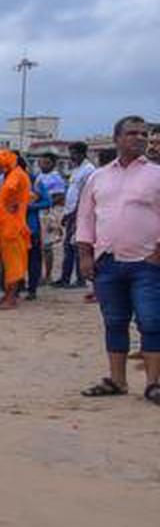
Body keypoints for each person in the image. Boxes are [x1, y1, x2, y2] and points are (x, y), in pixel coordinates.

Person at [76, 116, 160, 401]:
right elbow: (85, 218)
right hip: (107, 261)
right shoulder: (98, 177)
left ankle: (152, 384)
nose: (139, 138)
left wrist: (157, 254)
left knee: (151, 321)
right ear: (117, 138)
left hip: (147, 263)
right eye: (132, 133)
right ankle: (117, 380)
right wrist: (85, 254)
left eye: (143, 134)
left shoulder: (156, 175)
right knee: (114, 321)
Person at [0, 150, 31, 309]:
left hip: (12, 226)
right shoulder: (14, 174)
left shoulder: (16, 175)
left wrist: (15, 203)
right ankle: (8, 295)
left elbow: (13, 192)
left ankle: (11, 298)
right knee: (8, 263)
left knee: (12, 263)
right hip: (7, 225)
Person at [54, 142, 96, 287]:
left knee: (79, 245)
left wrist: (76, 213)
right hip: (70, 211)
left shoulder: (89, 170)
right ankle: (65, 278)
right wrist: (66, 213)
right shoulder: (76, 169)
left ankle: (80, 279)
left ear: (82, 153)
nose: (71, 156)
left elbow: (86, 194)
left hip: (80, 213)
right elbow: (71, 192)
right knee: (68, 246)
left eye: (74, 153)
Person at [25, 161, 53, 300]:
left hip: (32, 228)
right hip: (15, 228)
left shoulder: (34, 182)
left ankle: (32, 289)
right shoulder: (6, 181)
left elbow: (48, 201)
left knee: (33, 260)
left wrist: (30, 207)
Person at [42, 191, 65, 285]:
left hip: (44, 217)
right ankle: (46, 276)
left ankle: (47, 276)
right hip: (43, 216)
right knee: (45, 251)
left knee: (46, 250)